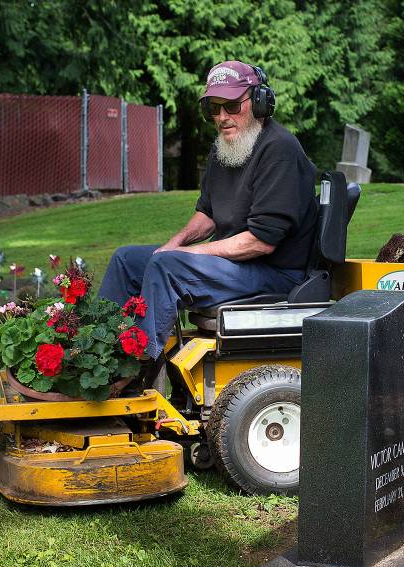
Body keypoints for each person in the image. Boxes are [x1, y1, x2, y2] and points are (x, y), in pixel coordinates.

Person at [98, 60, 318, 360]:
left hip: (275, 272)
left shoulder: (280, 150)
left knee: (168, 268)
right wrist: (172, 245)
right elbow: (208, 214)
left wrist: (187, 255)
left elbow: (261, 241)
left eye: (231, 106)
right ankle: (95, 351)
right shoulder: (225, 148)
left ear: (259, 102)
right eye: (213, 109)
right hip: (238, 266)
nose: (222, 117)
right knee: (127, 260)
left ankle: (133, 366)